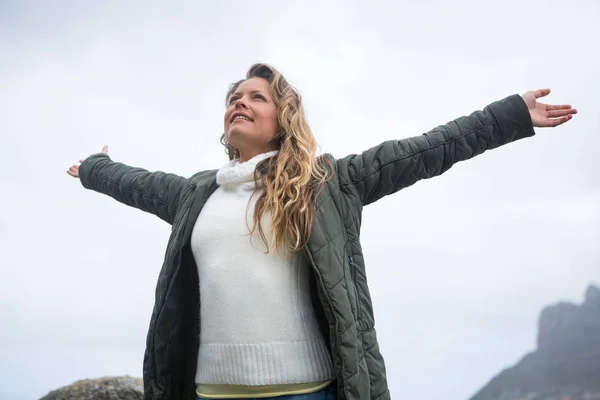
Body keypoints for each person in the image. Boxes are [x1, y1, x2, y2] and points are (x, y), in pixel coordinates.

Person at [66, 63, 577, 400]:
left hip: (309, 392)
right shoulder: (194, 195)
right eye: (233, 98)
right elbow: (135, 183)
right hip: (211, 393)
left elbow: (426, 149)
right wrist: (94, 167)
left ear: (282, 118)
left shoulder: (330, 183)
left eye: (256, 97)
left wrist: (511, 117)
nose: (239, 102)